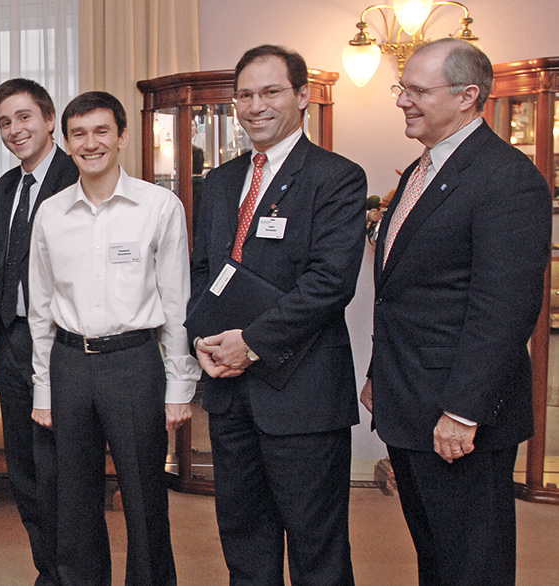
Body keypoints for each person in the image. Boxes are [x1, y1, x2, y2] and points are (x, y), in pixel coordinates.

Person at [364, 38, 549, 586]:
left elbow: (504, 308)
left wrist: (464, 411)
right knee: (436, 558)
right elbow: (402, 292)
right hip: (409, 400)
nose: (403, 101)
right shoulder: (423, 171)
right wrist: (379, 373)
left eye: (417, 91)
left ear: (468, 96)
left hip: (459, 415)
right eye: (403, 89)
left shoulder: (505, 178)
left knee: (474, 564)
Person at [188, 45, 368, 586]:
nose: (255, 106)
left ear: (302, 95)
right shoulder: (219, 182)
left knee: (316, 546)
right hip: (228, 394)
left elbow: (330, 282)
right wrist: (204, 338)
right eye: (244, 94)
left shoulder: (337, 177)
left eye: (270, 92)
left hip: (303, 395)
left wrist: (252, 342)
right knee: (244, 539)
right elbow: (203, 272)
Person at [29, 91, 197, 586]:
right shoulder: (52, 214)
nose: (90, 142)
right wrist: (43, 390)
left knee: (144, 496)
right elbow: (40, 310)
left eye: (101, 131)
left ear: (122, 137)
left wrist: (179, 387)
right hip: (69, 364)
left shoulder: (158, 206)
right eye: (78, 134)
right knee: (73, 501)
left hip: (134, 363)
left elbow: (176, 303)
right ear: (66, 142)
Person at [0, 78, 79, 586]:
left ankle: (74, 573)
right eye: (5, 121)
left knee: (65, 471)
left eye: (24, 117)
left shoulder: (77, 175)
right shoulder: (4, 188)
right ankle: (49, 570)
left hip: (65, 347)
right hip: (14, 344)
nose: (15, 129)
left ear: (49, 120)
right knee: (25, 473)